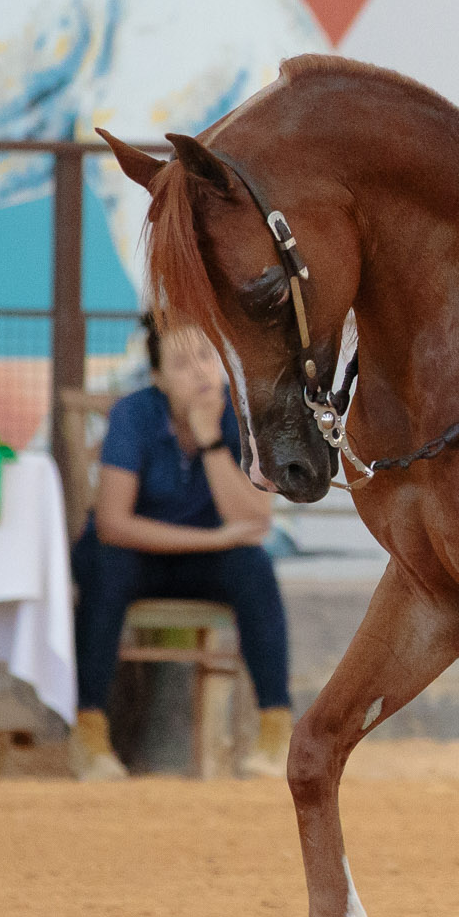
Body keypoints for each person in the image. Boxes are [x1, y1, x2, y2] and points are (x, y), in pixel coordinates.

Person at [70, 315, 291, 780]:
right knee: (104, 567)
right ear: (158, 378)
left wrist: (210, 439)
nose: (200, 372)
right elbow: (113, 523)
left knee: (254, 567)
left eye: (207, 357)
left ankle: (276, 730)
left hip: (203, 566)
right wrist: (211, 539)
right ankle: (89, 735)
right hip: (135, 555)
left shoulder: (236, 416)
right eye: (182, 363)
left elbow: (256, 520)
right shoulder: (134, 414)